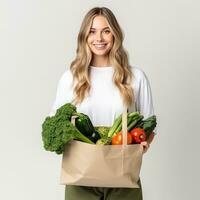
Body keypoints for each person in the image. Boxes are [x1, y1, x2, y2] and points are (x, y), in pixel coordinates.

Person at [49, 6, 156, 200]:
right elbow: (55, 121)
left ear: (115, 34)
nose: (99, 38)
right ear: (84, 36)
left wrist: (143, 144)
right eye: (92, 31)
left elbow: (149, 122)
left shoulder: (136, 77)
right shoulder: (70, 78)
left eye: (106, 31)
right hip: (81, 177)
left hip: (122, 174)